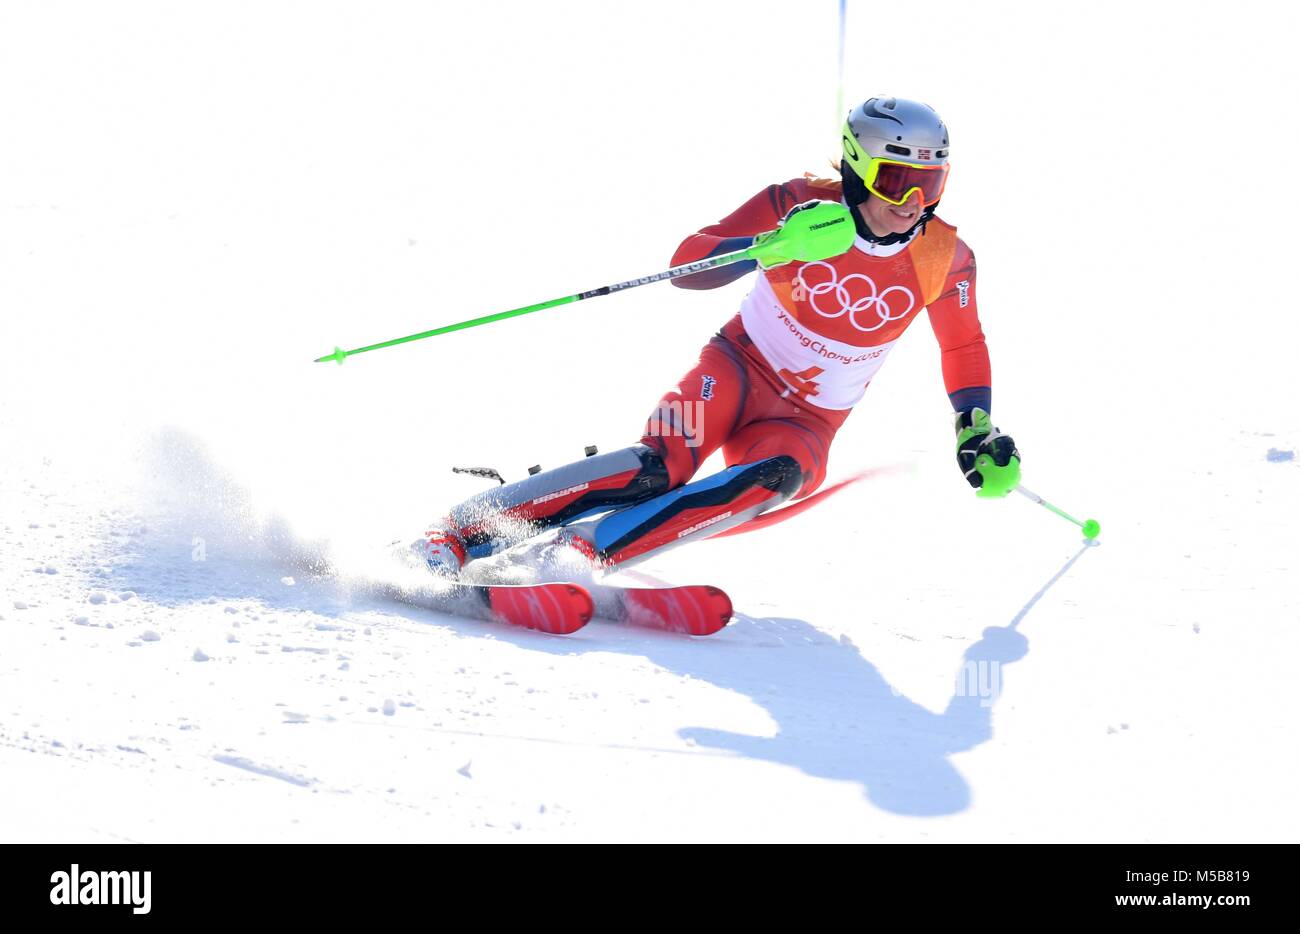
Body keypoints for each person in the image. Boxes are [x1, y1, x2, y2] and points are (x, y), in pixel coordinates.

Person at [416, 96, 1019, 578]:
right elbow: (687, 264)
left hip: (808, 421)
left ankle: (578, 556)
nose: (912, 203)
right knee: (660, 466)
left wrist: (975, 426)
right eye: (895, 180)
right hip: (735, 369)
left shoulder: (945, 257)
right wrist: (766, 247)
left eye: (931, 183)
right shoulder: (801, 203)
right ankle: (461, 532)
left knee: (777, 476)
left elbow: (963, 346)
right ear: (857, 166)